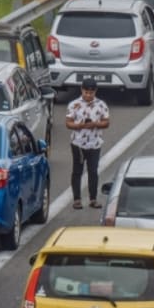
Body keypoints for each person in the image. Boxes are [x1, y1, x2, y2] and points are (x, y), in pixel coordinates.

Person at [66, 77, 110, 209]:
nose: (88, 95)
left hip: (95, 143)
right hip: (78, 143)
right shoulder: (74, 105)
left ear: (95, 91)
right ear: (82, 90)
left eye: (91, 93)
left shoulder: (101, 105)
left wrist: (96, 124)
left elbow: (106, 122)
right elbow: (68, 123)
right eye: (86, 92)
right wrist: (79, 126)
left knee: (93, 171)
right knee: (77, 171)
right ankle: (77, 199)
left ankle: (93, 199)